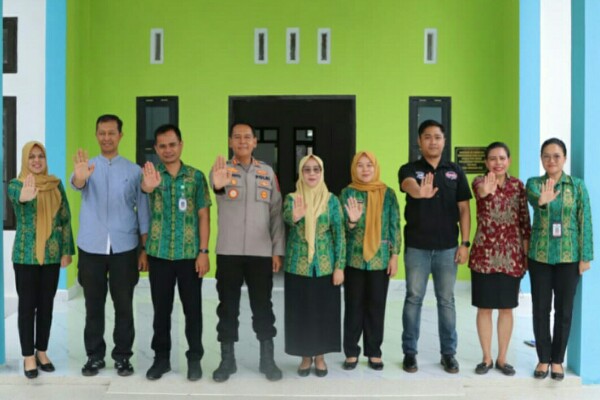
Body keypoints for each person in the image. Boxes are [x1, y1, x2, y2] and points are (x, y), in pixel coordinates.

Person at [71, 114, 150, 377]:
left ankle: (123, 357)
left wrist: (144, 249)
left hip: (124, 248)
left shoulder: (134, 171)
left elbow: (143, 211)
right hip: (91, 247)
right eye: (102, 133)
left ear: (120, 135)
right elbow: (77, 184)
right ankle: (94, 356)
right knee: (93, 306)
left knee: (124, 305)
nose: (106, 138)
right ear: (96, 135)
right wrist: (80, 177)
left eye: (111, 133)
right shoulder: (86, 167)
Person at [210, 123, 285, 382]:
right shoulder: (221, 170)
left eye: (247, 137)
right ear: (230, 141)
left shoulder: (267, 172)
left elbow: (276, 212)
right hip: (228, 252)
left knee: (263, 307)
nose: (242, 141)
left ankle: (267, 360)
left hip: (260, 253)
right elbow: (217, 189)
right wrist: (218, 184)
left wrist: (277, 250)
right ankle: (227, 361)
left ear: (255, 142)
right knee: (227, 308)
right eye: (237, 137)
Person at [398, 119, 472, 374]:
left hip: (447, 248)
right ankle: (410, 352)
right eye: (427, 137)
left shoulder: (455, 171)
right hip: (417, 248)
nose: (433, 141)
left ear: (444, 141)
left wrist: (464, 243)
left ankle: (448, 353)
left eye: (437, 137)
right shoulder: (409, 169)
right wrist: (419, 192)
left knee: (446, 300)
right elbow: (407, 184)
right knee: (413, 298)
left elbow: (464, 209)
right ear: (419, 141)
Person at [140, 124, 211, 381]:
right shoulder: (150, 175)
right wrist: (143, 249)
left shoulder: (196, 177)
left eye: (172, 144)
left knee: (193, 310)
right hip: (159, 254)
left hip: (189, 256)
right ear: (156, 149)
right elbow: (143, 210)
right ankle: (161, 360)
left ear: (181, 145)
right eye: (162, 146)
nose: (168, 150)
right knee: (161, 311)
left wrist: (204, 251)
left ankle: (194, 359)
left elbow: (204, 215)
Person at [526, 138, 593, 381]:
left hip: (569, 256)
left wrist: (585, 256)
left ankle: (557, 361)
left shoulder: (577, 186)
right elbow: (535, 200)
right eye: (546, 155)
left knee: (564, 310)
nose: (551, 160)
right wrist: (542, 202)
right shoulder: (534, 183)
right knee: (540, 308)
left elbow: (585, 219)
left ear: (564, 158)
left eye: (556, 156)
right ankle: (543, 358)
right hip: (540, 256)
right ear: (541, 159)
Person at [8, 141, 74, 379]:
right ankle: (28, 355)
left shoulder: (55, 184)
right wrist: (24, 197)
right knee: (27, 307)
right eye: (32, 157)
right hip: (25, 256)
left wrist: (66, 250)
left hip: (52, 255)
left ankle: (42, 351)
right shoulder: (17, 185)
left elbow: (65, 218)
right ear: (25, 159)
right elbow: (18, 198)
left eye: (40, 156)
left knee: (46, 305)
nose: (36, 161)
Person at [468, 142, 531, 376]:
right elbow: (481, 193)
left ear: (509, 161)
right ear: (486, 162)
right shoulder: (479, 181)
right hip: (483, 255)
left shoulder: (518, 186)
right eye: (493, 158)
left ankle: (502, 358)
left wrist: (525, 255)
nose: (498, 163)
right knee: (484, 308)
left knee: (506, 308)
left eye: (502, 158)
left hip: (511, 256)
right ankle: (486, 358)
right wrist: (487, 189)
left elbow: (524, 221)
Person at [283, 154, 345, 377]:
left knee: (323, 312)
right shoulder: (292, 198)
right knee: (301, 312)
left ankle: (319, 356)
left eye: (316, 169)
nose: (311, 174)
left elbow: (339, 234)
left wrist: (339, 266)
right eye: (307, 169)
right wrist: (295, 216)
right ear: (301, 173)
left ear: (322, 173)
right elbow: (286, 218)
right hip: (297, 265)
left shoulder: (332, 200)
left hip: (325, 265)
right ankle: (305, 356)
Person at [339, 151, 400, 371]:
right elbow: (340, 228)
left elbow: (394, 225)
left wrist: (394, 255)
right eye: (360, 165)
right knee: (353, 306)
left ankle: (374, 352)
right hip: (354, 259)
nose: (365, 169)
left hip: (380, 258)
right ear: (354, 168)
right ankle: (351, 352)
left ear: (376, 168)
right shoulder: (347, 193)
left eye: (369, 165)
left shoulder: (388, 194)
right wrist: (352, 222)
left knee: (376, 306)